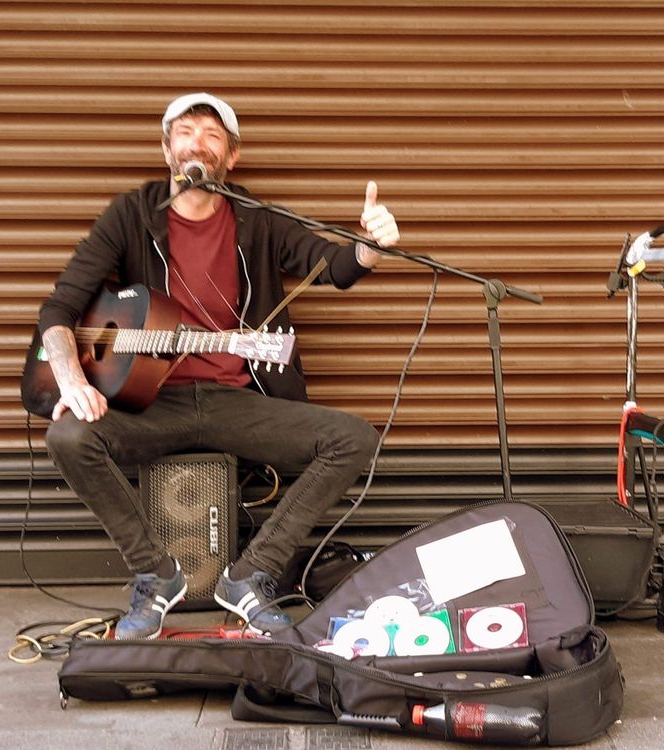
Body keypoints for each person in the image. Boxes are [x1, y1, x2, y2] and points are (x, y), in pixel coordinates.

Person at [37, 92, 400, 639]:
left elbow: (331, 267)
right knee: (67, 437)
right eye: (184, 132)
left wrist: (371, 247)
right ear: (166, 150)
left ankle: (252, 574)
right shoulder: (132, 215)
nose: (196, 143)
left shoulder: (256, 220)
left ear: (231, 156)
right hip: (152, 404)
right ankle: (156, 576)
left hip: (238, 400)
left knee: (353, 438)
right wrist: (71, 377)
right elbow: (60, 310)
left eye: (212, 134)